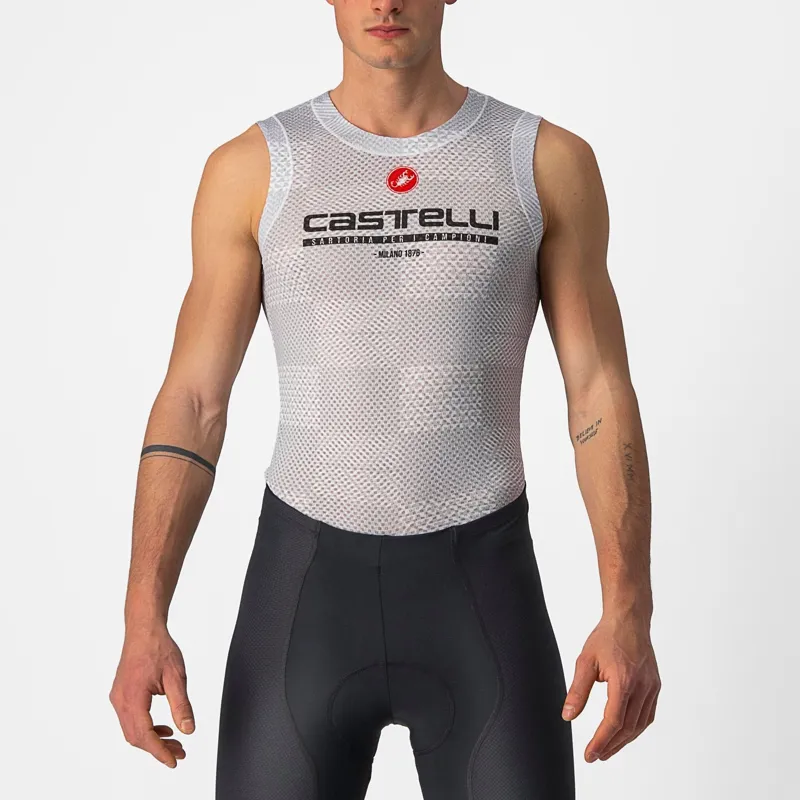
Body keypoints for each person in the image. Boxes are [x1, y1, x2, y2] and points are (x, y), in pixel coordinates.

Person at [109, 1, 661, 797]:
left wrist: (629, 608)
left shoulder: (541, 161)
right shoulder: (255, 169)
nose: (385, 2)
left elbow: (597, 392)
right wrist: (143, 618)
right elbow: (194, 400)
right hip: (305, 596)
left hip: (483, 594)